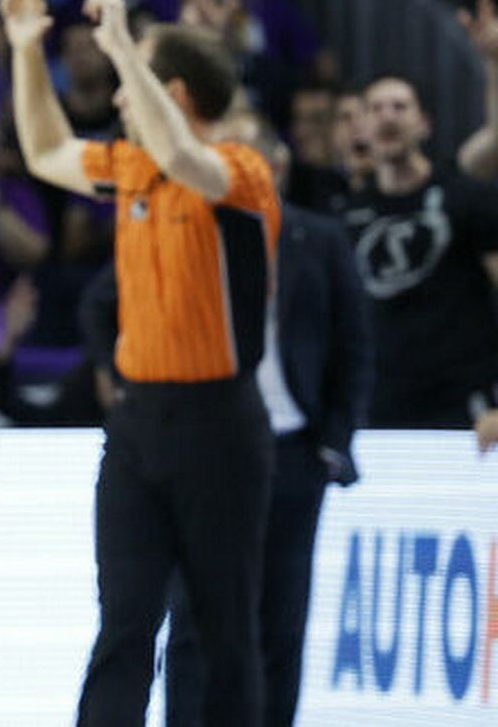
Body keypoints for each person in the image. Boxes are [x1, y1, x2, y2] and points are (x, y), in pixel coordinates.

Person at [2, 0, 281, 726]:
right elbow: (46, 151)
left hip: (220, 427)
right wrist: (26, 49)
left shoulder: (241, 173)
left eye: (133, 82)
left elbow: (186, 156)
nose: (120, 96)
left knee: (224, 633)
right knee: (124, 623)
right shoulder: (130, 168)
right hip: (135, 426)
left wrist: (125, 44)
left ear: (175, 95)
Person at [164, 111, 373, 727]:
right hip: (207, 452)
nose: (224, 168)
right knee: (193, 615)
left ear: (275, 165)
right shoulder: (187, 230)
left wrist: (332, 443)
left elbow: (355, 347)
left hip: (291, 451)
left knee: (281, 618)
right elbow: (108, 307)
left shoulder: (320, 238)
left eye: (240, 154)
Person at [339, 74, 498, 428]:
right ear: (361, 128)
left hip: (468, 408)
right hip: (379, 407)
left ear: (424, 124)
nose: (387, 116)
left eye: (400, 107)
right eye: (376, 108)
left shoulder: (466, 198)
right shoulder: (346, 215)